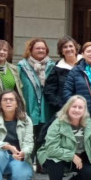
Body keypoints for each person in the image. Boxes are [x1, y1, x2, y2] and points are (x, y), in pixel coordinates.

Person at [38, 96, 91, 180]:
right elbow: (51, 148)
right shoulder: (57, 123)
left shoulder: (90, 124)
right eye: (74, 106)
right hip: (54, 155)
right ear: (68, 107)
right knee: (55, 162)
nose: (77, 110)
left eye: (80, 107)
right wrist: (71, 156)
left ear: (84, 110)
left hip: (79, 157)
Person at [18, 38, 55, 169]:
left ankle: (41, 163)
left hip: (46, 107)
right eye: (37, 48)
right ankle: (26, 165)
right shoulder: (22, 67)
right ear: (30, 50)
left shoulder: (52, 66)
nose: (40, 50)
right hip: (29, 106)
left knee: (43, 136)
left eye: (43, 48)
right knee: (27, 137)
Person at [45, 36, 81, 119]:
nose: (68, 49)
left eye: (71, 46)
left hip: (85, 108)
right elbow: (49, 91)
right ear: (61, 51)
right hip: (64, 111)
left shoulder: (85, 64)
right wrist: (60, 105)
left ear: (75, 48)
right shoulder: (56, 69)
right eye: (65, 47)